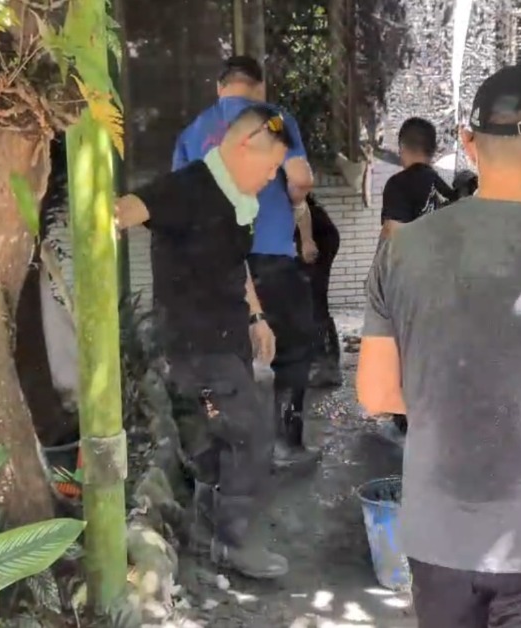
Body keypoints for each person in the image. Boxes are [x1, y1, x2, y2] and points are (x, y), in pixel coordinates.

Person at [357, 65, 521, 627]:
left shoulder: (402, 251)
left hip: (439, 535)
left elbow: (376, 393)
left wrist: (452, 399)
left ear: (468, 142)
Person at [115, 105, 292, 579]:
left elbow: (236, 265)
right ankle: (234, 543)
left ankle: (212, 530)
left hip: (226, 339)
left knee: (217, 438)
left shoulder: (237, 200)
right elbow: (124, 210)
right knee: (247, 434)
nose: (273, 177)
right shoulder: (188, 187)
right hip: (196, 348)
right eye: (271, 165)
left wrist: (257, 317)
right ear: (242, 147)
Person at [173, 55, 321, 471]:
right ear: (259, 87)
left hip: (215, 262)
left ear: (220, 88)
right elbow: (301, 178)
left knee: (227, 355)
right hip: (270, 254)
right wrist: (294, 199)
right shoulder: (273, 119)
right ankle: (285, 444)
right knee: (292, 350)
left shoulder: (192, 132)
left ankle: (232, 453)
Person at [376, 117, 458, 438]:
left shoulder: (399, 184)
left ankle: (409, 420)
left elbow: (393, 233)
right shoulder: (447, 189)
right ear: (433, 149)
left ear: (402, 148)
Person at [300, 192, 343, 387]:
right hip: (317, 235)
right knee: (312, 301)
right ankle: (322, 361)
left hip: (318, 238)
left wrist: (307, 240)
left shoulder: (285, 187)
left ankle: (328, 367)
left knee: (314, 301)